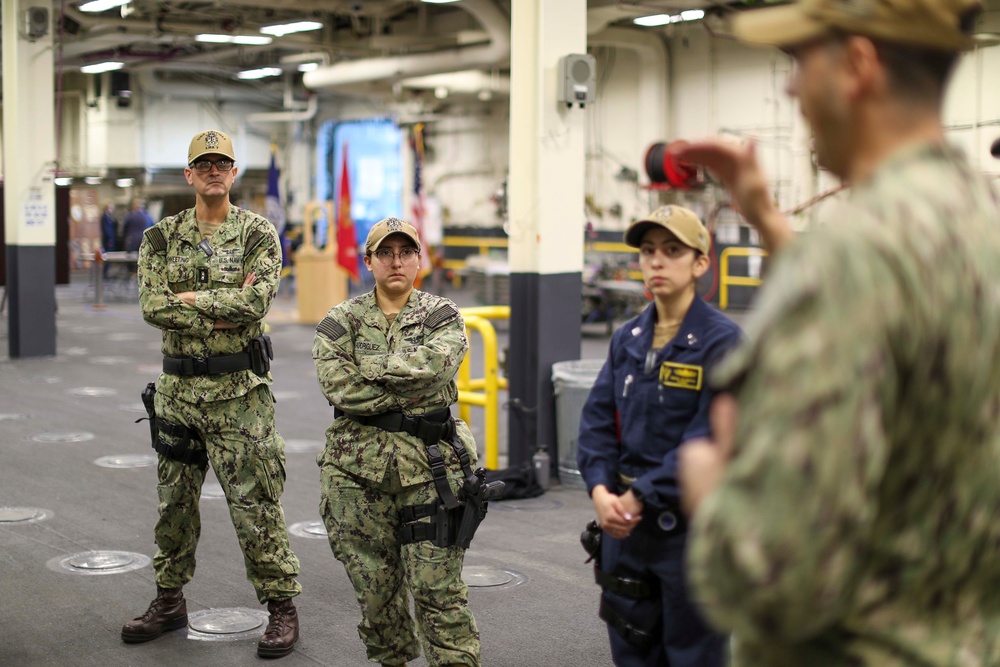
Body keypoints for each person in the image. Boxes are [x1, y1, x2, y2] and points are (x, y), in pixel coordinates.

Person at [673, 0, 1000, 664]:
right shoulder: (979, 220)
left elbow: (778, 577)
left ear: (857, 63)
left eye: (801, 60)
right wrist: (765, 216)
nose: (791, 87)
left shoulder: (849, 256)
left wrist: (711, 485)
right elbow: (891, 308)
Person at [123, 129, 302, 658]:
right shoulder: (159, 238)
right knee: (173, 503)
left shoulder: (258, 234)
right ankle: (169, 599)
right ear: (189, 174)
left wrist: (194, 297)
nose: (213, 171)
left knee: (255, 504)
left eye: (222, 162)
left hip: (239, 396)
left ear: (233, 171)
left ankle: (281, 607)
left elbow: (256, 303)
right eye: (204, 164)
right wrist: (224, 304)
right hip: (178, 393)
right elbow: (153, 307)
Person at [576, 205, 742, 667]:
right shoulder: (627, 337)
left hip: (688, 534)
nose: (657, 261)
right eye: (648, 251)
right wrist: (600, 491)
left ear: (700, 264)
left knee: (693, 656)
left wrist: (640, 496)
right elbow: (596, 422)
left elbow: (709, 438)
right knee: (632, 649)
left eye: (672, 250)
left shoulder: (721, 341)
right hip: (624, 531)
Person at [313, 216, 482, 667]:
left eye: (406, 252)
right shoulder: (339, 320)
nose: (396, 261)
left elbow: (437, 367)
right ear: (367, 261)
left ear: (418, 260)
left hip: (431, 470)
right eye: (385, 253)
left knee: (438, 592)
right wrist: (405, 380)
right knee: (375, 593)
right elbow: (337, 385)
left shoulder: (442, 314)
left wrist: (370, 370)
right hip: (354, 472)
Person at [99, 201, 117, 278]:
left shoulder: (108, 216)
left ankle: (106, 272)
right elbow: (107, 229)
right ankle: (105, 273)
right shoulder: (104, 216)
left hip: (109, 238)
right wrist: (110, 238)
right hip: (107, 240)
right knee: (107, 256)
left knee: (109, 256)